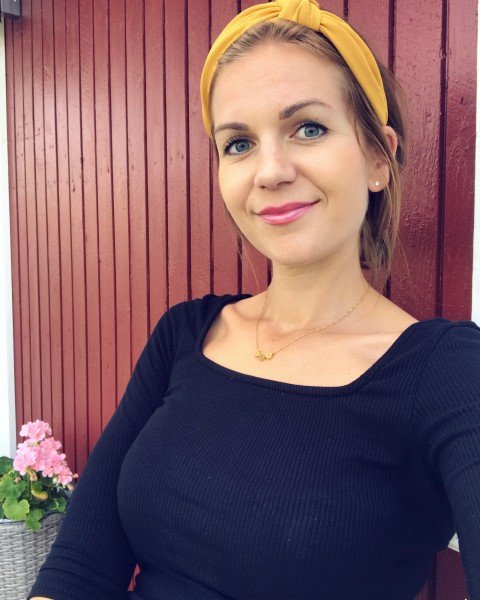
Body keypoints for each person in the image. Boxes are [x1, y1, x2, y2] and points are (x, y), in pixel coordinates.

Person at [30, 1, 480, 599]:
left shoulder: (445, 371)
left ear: (379, 157)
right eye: (238, 143)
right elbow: (80, 568)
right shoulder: (186, 334)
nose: (269, 171)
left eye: (309, 128)